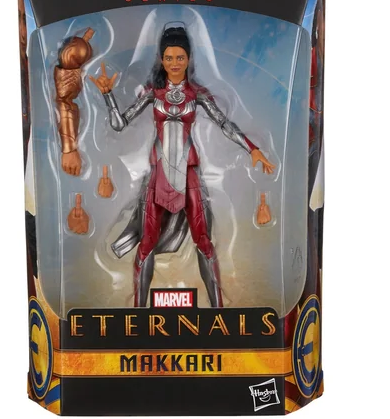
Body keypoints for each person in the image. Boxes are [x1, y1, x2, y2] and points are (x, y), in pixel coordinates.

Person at [89, 25, 275, 307]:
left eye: (180, 57)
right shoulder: (152, 93)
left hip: (190, 176)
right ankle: (138, 311)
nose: (174, 63)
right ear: (161, 60)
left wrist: (253, 149)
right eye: (169, 58)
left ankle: (218, 309)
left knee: (204, 241)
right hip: (158, 177)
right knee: (146, 244)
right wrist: (107, 95)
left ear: (188, 59)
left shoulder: (197, 93)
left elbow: (224, 123)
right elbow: (119, 124)